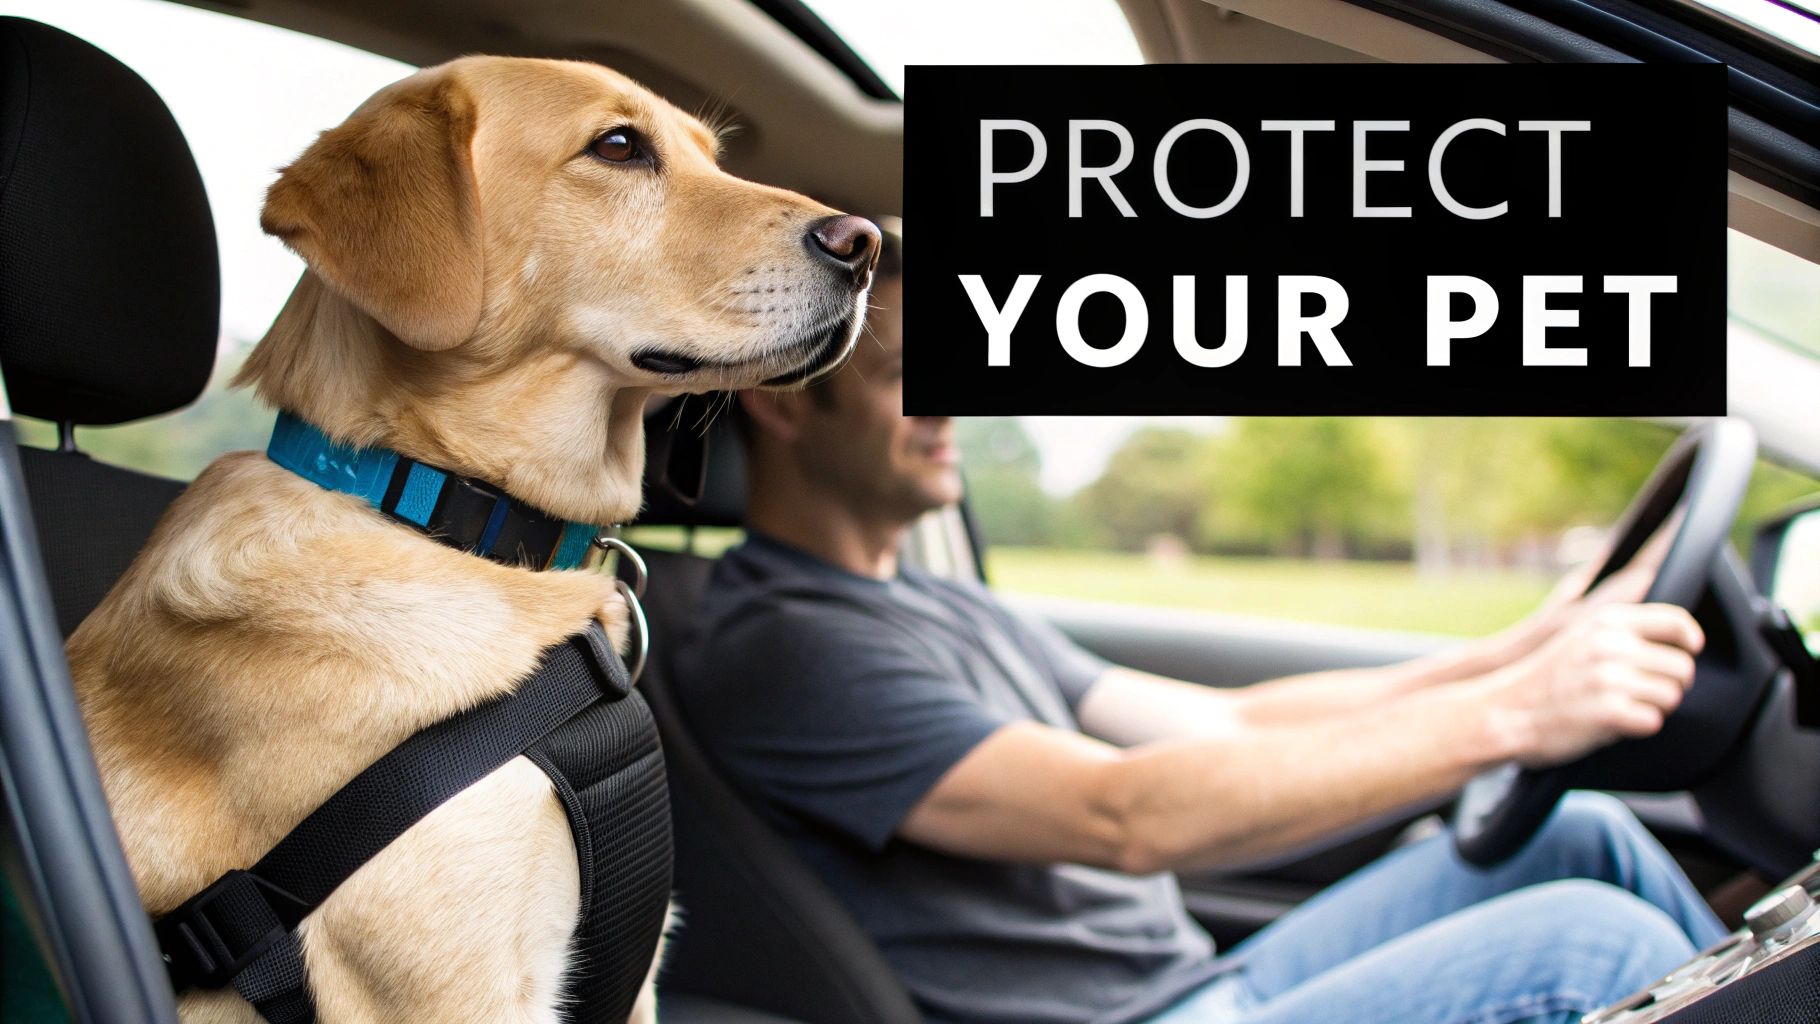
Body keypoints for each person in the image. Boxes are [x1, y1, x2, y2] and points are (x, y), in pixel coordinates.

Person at [672, 222, 1725, 1024]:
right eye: (907, 380)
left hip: (1197, 979)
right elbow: (1122, 814)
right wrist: (1515, 716)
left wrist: (1528, 647)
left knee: (1584, 836)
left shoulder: (933, 597)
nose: (950, 407)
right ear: (781, 403)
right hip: (1141, 1019)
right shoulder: (784, 645)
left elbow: (1230, 727)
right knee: (1589, 943)